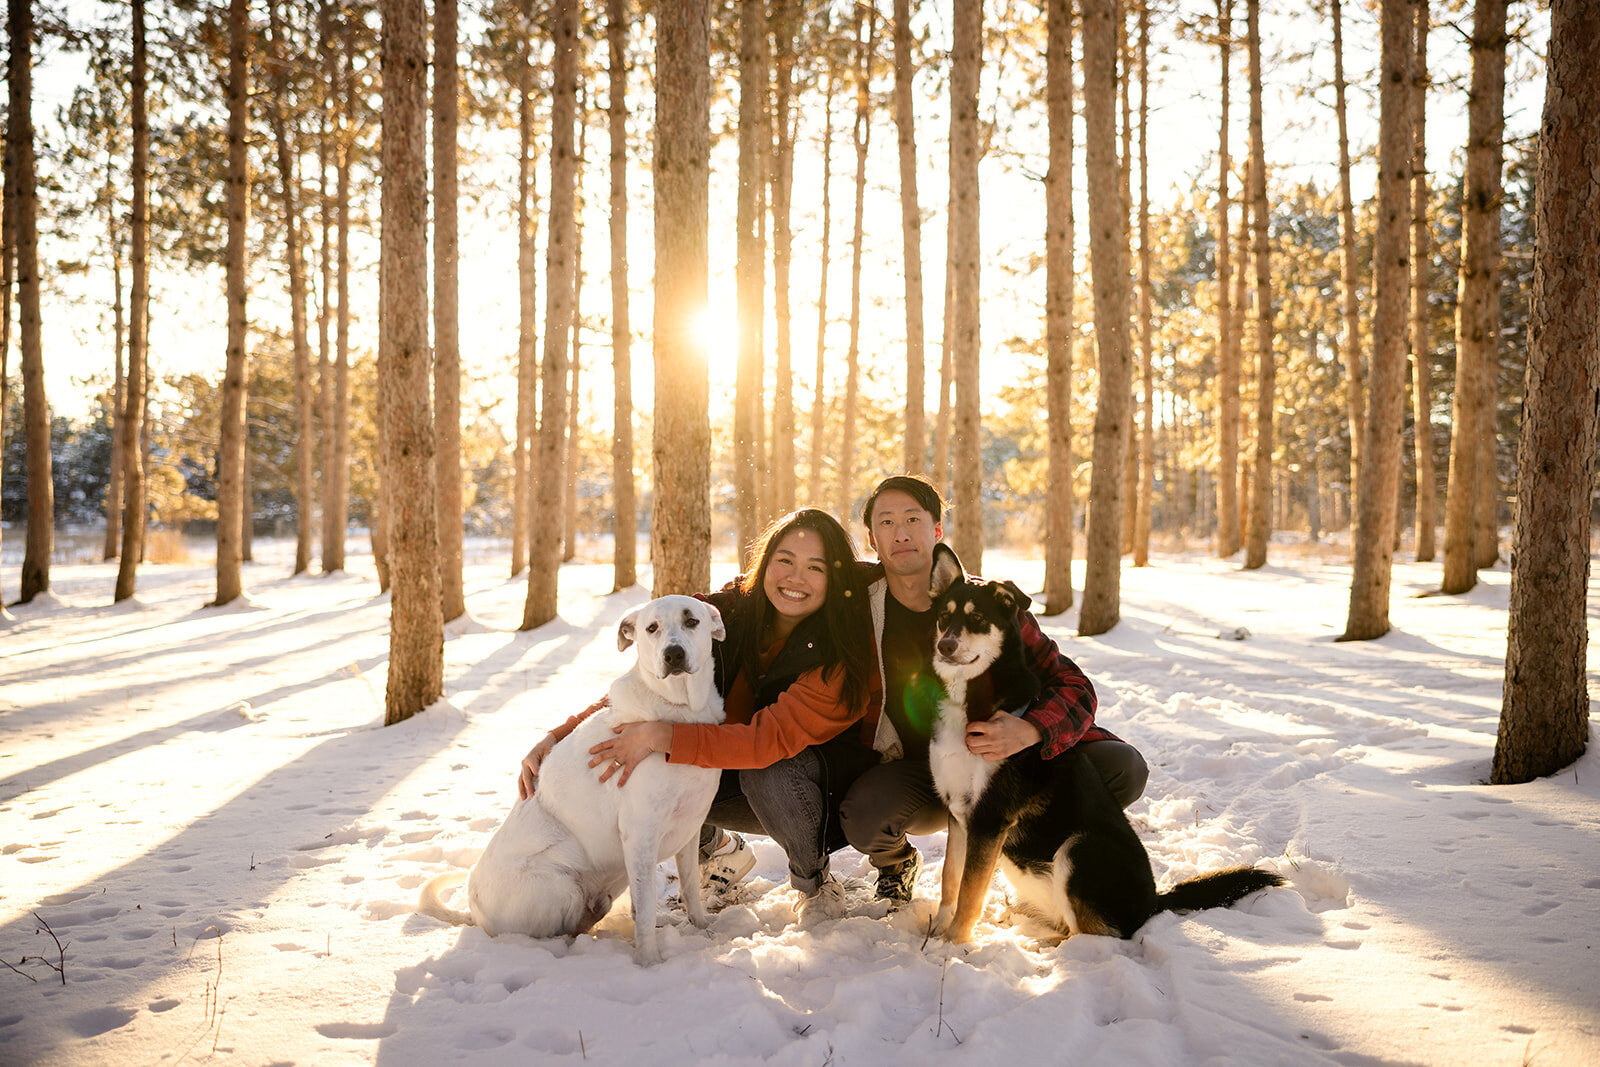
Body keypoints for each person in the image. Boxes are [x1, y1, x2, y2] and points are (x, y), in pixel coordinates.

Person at [517, 508, 881, 924]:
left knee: (761, 770)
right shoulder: (725, 613)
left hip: (821, 794)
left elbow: (764, 743)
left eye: (814, 567)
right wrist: (557, 736)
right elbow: (644, 689)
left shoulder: (839, 656)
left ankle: (815, 884)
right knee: (659, 761)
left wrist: (663, 736)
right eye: (785, 560)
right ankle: (720, 851)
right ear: (765, 562)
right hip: (739, 765)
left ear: (833, 579)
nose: (795, 578)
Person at [838, 474, 1149, 905]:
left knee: (1121, 766)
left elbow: (1073, 685)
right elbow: (780, 584)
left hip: (998, 758)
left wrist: (1032, 730)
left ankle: (1033, 858)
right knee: (867, 814)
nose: (902, 532)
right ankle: (898, 864)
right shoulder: (855, 600)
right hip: (918, 766)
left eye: (913, 518)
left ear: (937, 530)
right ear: (872, 538)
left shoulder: (987, 604)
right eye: (886, 522)